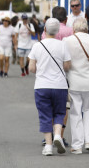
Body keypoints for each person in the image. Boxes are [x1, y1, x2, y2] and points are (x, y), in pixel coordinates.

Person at [29, 18, 72, 156]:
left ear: (45, 30)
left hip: (42, 85)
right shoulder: (63, 45)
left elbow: (31, 68)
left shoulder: (37, 46)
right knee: (60, 112)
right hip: (60, 85)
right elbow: (67, 66)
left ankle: (48, 145)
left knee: (45, 114)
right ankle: (58, 135)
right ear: (58, 31)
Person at [62, 18, 89, 154]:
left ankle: (77, 145)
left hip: (74, 81)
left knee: (76, 112)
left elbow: (64, 61)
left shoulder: (67, 41)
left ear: (74, 28)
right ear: (86, 28)